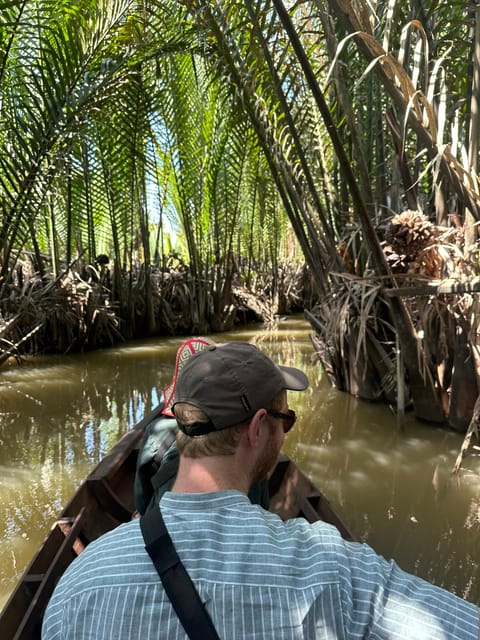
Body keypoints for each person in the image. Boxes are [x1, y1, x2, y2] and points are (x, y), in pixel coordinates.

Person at [42, 342, 479, 639]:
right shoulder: (335, 571)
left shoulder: (78, 585)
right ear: (256, 429)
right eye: (284, 421)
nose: (285, 432)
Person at [134, 336, 269, 514]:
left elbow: (141, 500)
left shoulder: (157, 431)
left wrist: (143, 513)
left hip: (162, 527)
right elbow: (264, 506)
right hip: (244, 524)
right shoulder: (249, 438)